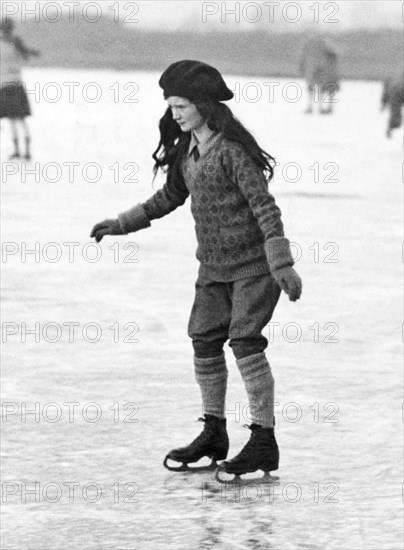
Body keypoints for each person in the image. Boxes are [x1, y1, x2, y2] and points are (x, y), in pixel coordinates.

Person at [91, 60, 302, 480]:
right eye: (171, 107)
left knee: (244, 342)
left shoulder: (232, 152)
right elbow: (168, 197)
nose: (176, 114)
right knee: (204, 341)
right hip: (213, 269)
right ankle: (214, 432)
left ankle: (263, 438)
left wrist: (280, 261)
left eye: (182, 105)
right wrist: (122, 223)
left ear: (204, 104)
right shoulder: (186, 153)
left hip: (253, 268)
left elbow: (265, 206)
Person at [0, 18, 40, 160]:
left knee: (12, 119)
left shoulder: (9, 43)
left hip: (6, 85)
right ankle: (26, 151)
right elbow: (28, 55)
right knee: (21, 119)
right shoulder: (16, 43)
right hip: (16, 84)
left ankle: (18, 150)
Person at [299, 35, 340, 115]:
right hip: (322, 73)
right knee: (319, 89)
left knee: (323, 89)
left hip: (326, 74)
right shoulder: (312, 50)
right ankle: (317, 107)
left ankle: (320, 107)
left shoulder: (321, 50)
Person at [381, 71, 404, 138]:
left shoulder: (394, 79)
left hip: (394, 90)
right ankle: (390, 129)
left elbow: (386, 89)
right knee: (396, 119)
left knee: (395, 117)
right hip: (396, 91)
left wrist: (384, 102)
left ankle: (389, 129)